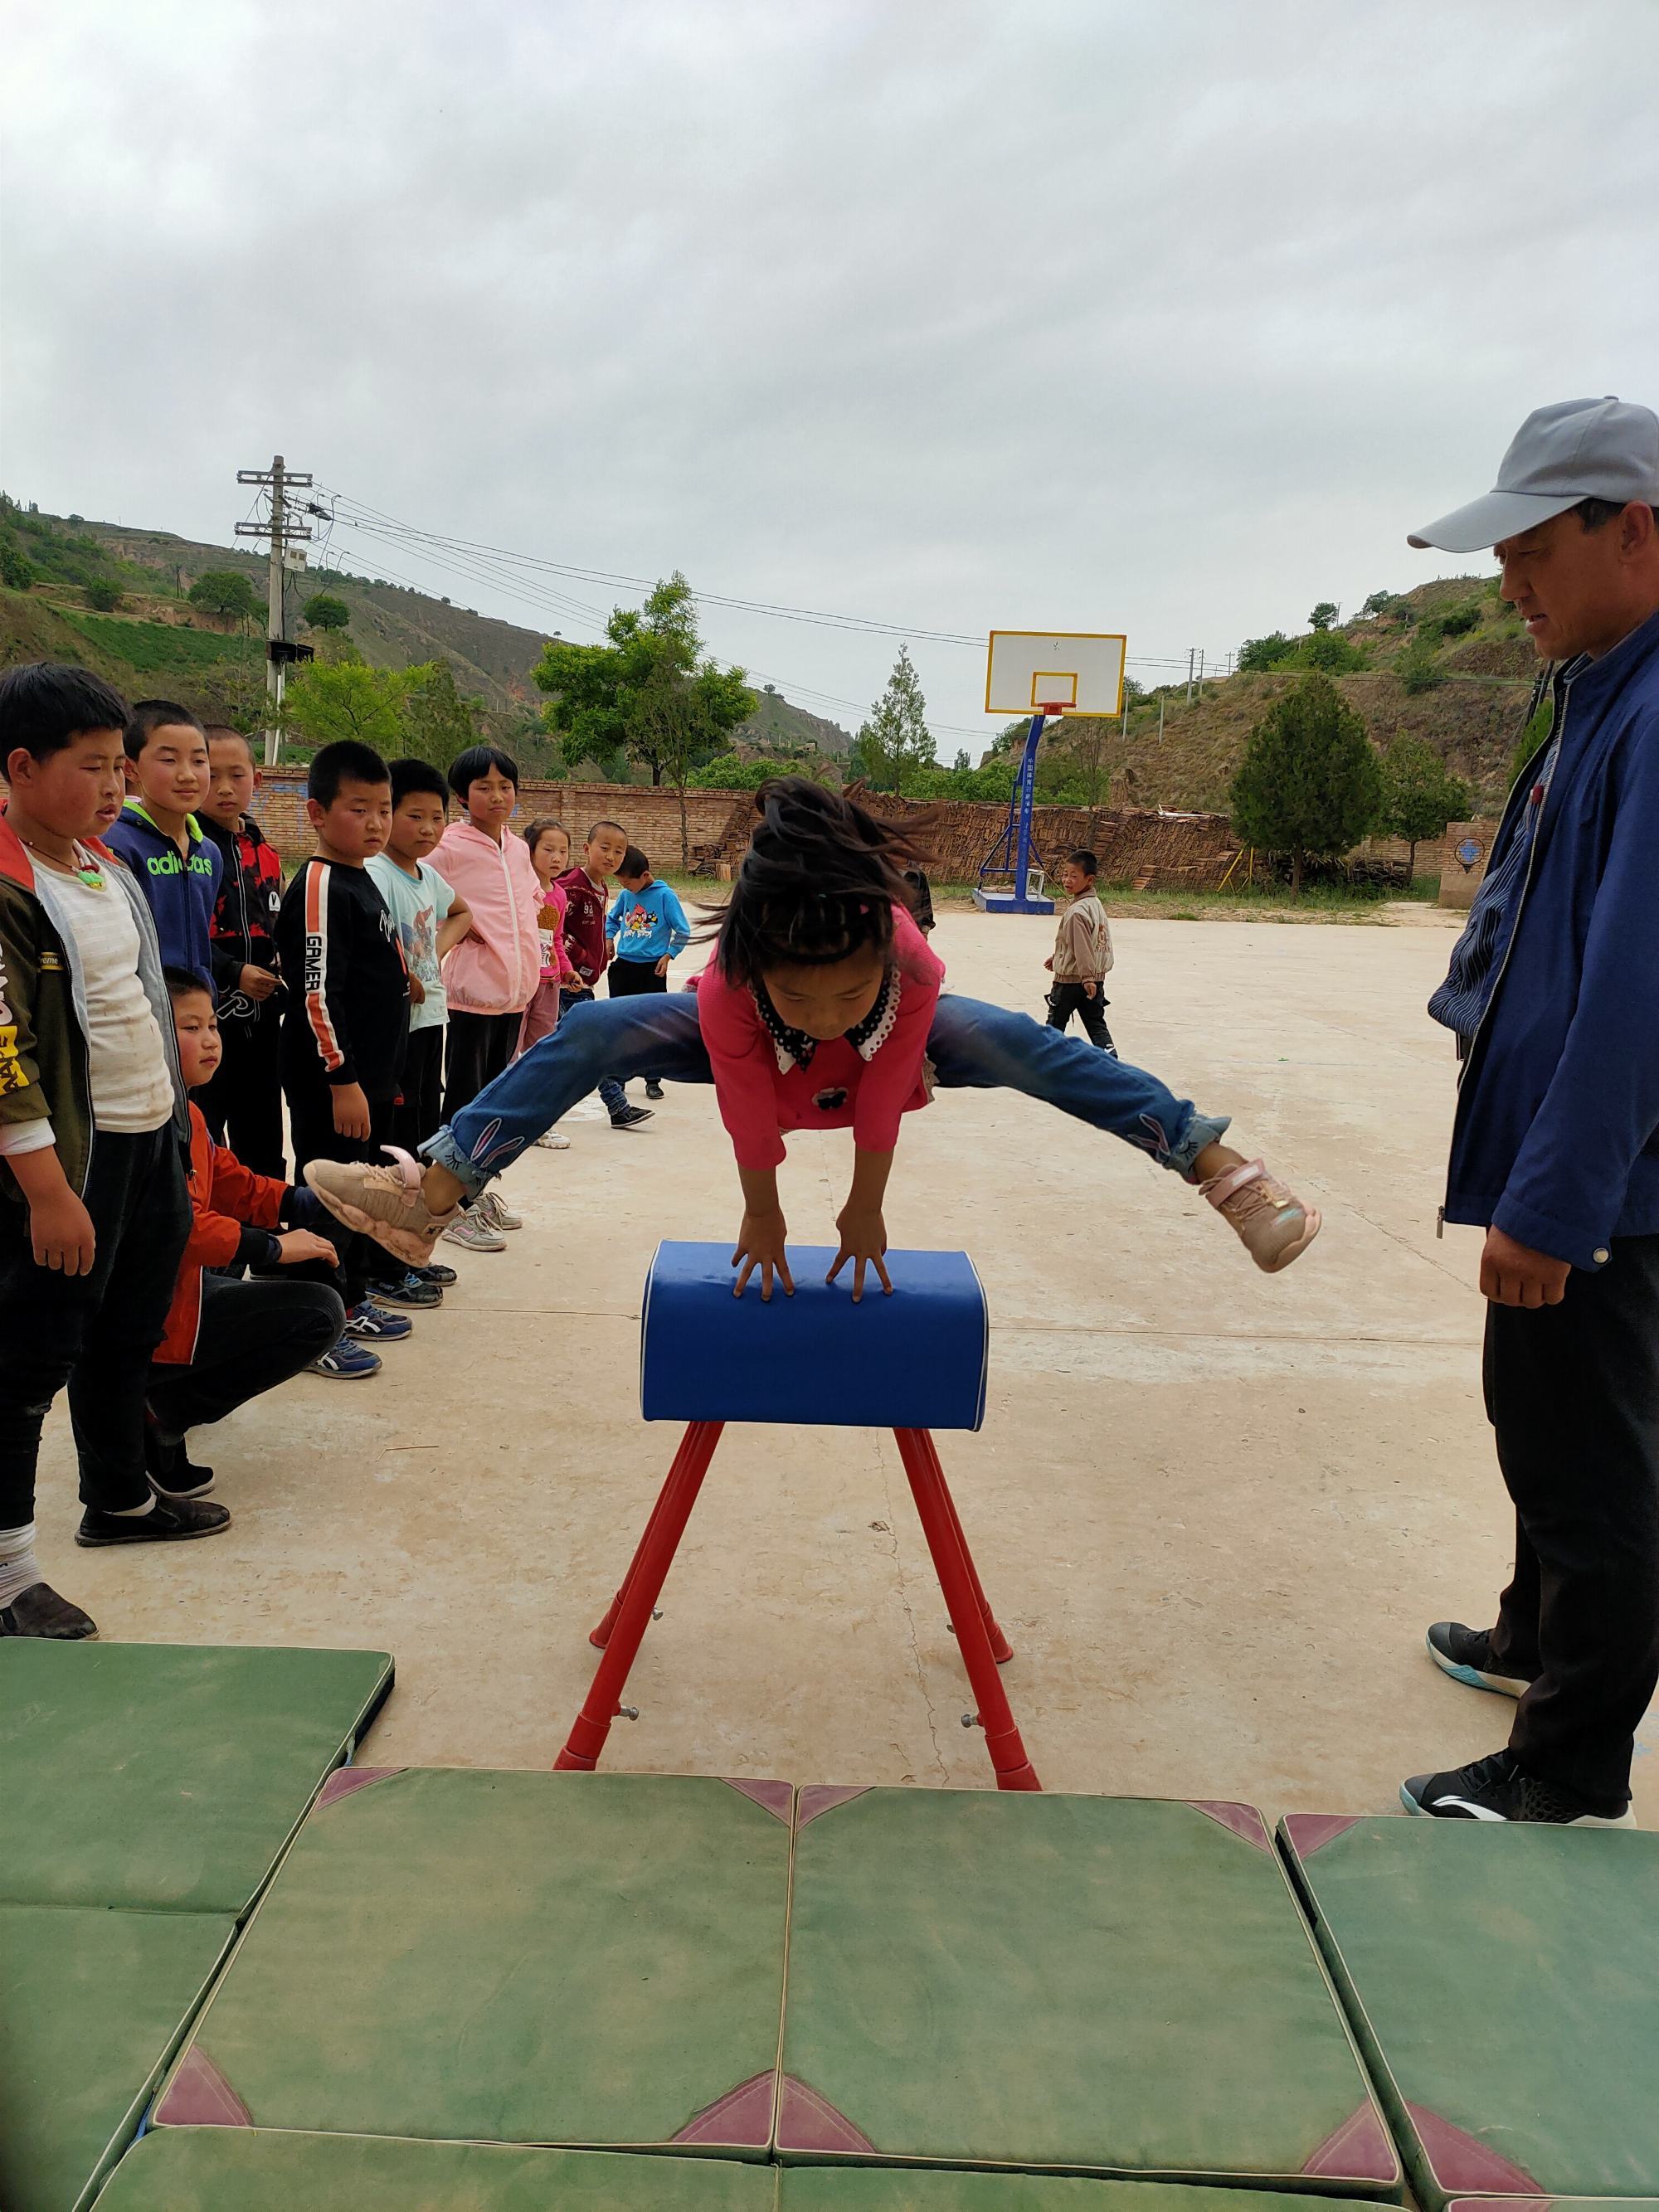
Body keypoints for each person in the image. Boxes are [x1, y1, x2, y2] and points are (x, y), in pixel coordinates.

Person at [304, 780, 1321, 1300]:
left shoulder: (911, 968)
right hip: (754, 1062)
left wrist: (862, 1210)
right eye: (808, 993)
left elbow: (878, 1094)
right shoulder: (735, 987)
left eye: (850, 989)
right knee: (597, 1028)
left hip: (899, 1059)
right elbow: (749, 1113)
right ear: (758, 972)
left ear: (884, 956)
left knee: (1027, 1042)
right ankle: (432, 1194)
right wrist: (765, 1217)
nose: (831, 1006)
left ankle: (1217, 1166)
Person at [1403, 396, 1659, 1829]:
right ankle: (1531, 1636)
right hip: (1577, 1149)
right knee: (1546, 1420)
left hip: (1612, 1173)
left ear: (1632, 527)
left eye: (1532, 549)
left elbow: (1639, 984)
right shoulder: (1602, 686)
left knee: (1589, 1456)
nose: (1510, 585)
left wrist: (1556, 1198)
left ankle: (1567, 1760)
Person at [1, 664, 226, 1645]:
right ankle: (9, 1576)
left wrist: (175, 1128)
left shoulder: (106, 867)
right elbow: (4, 1050)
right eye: (93, 768)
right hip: (61, 1165)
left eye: (114, 770)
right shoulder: (9, 879)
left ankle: (119, 1498)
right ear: (19, 767)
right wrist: (48, 1192)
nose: (112, 789)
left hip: (145, 1140)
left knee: (124, 1333)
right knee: (26, 1365)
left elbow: (137, 1002)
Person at [149, 975, 361, 1478]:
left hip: (178, 1295)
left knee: (303, 1286)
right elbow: (183, 1227)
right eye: (190, 1027)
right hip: (150, 1312)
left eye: (214, 1025)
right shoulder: (147, 1125)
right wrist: (273, 1249)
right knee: (318, 1313)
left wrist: (310, 1202)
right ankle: (161, 1413)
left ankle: (160, 1407)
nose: (210, 1040)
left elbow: (234, 1183)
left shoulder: (190, 1115)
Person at [273, 738, 416, 1349]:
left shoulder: (362, 877)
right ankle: (316, 1320)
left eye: (383, 808)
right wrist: (342, 1078)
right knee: (331, 1195)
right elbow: (314, 992)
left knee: (365, 1196)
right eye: (359, 808)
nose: (376, 822)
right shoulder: (321, 884)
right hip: (335, 1080)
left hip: (370, 1075)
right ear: (316, 813)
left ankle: (352, 1297)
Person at [433, 743, 543, 1248]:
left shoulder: (518, 848)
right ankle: (445, 1208)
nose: (497, 796)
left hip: (513, 996)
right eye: (484, 787)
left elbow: (532, 905)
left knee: (496, 1101)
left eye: (505, 786)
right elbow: (415, 889)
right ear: (462, 796)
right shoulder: (450, 846)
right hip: (470, 998)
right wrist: (461, 927)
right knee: (463, 1103)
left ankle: (474, 1194)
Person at [197, 723, 286, 1175]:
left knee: (264, 1131)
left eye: (237, 775)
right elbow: (175, 937)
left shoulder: (264, 849)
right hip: (206, 1020)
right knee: (206, 1134)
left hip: (264, 1020)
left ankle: (270, 1233)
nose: (225, 789)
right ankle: (215, 1235)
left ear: (258, 778)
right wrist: (233, 972)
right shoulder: (187, 847)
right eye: (211, 775)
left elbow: (279, 925)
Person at [104, 698, 221, 988]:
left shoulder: (209, 852)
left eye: (199, 760)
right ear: (131, 769)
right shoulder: (115, 846)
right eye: (169, 760)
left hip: (197, 1009)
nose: (187, 775)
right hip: (142, 1006)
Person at [557, 818, 652, 1130]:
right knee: (594, 1044)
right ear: (587, 849)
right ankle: (618, 1106)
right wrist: (581, 960)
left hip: (584, 980)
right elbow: (552, 929)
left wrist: (601, 952)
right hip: (568, 981)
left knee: (576, 1047)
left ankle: (617, 1107)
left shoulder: (601, 887)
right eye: (605, 848)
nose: (611, 856)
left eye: (619, 852)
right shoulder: (571, 885)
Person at [606, 844, 691, 1101]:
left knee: (652, 1026)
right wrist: (609, 938)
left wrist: (669, 955)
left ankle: (653, 1078)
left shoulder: (665, 897)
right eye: (620, 883)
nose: (625, 888)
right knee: (620, 1024)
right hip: (624, 967)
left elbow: (683, 930)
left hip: (651, 970)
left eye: (628, 883)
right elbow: (612, 919)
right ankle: (618, 1076)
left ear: (644, 876)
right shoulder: (625, 896)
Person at [517, 817, 576, 1148]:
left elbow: (553, 938)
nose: (556, 858)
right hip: (519, 983)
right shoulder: (521, 889)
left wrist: (566, 970)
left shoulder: (558, 896)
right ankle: (509, 1118)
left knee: (541, 1053)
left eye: (563, 851)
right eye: (549, 849)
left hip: (549, 983)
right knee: (511, 1055)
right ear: (530, 851)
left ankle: (538, 1123)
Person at [1044, 848, 1116, 1055]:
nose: (1067, 880)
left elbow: (1083, 947)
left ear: (1089, 879)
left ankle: (1047, 1067)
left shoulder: (1077, 912)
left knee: (1054, 1027)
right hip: (1095, 980)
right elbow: (1085, 942)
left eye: (1074, 876)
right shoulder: (1095, 904)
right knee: (1096, 1025)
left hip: (1071, 983)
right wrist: (1057, 957)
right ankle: (1111, 1062)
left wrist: (1086, 978)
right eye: (1065, 874)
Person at [901, 864, 935, 936]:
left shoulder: (918, 875)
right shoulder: (879, 872)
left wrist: (925, 931)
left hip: (912, 931)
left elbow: (925, 903)